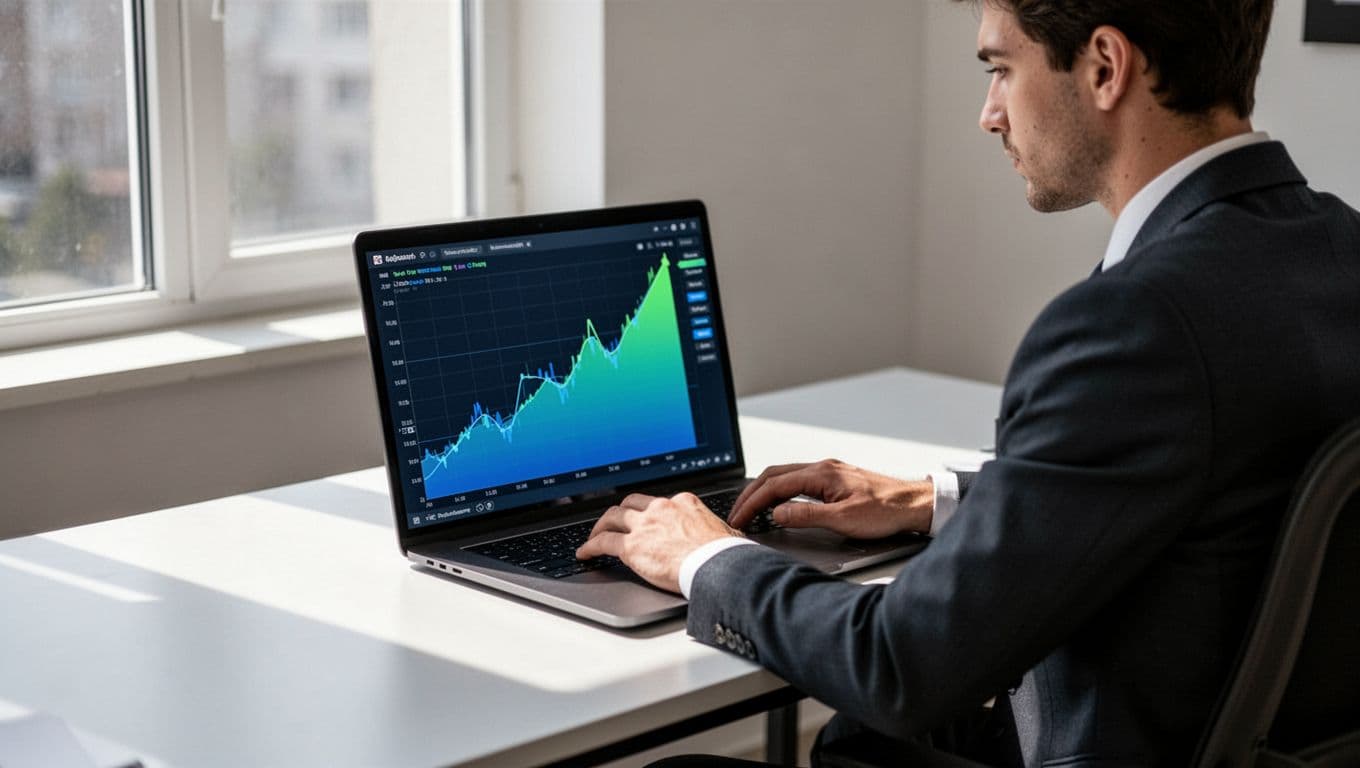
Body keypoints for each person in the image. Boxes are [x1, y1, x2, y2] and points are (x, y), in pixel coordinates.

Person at [577, 0, 1360, 764]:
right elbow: (1197, 475)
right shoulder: (1333, 246)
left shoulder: (1131, 323)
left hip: (1112, 737)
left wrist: (704, 559)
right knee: (859, 746)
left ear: (1105, 67)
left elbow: (899, 667)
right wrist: (930, 499)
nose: (990, 114)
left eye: (1002, 69)